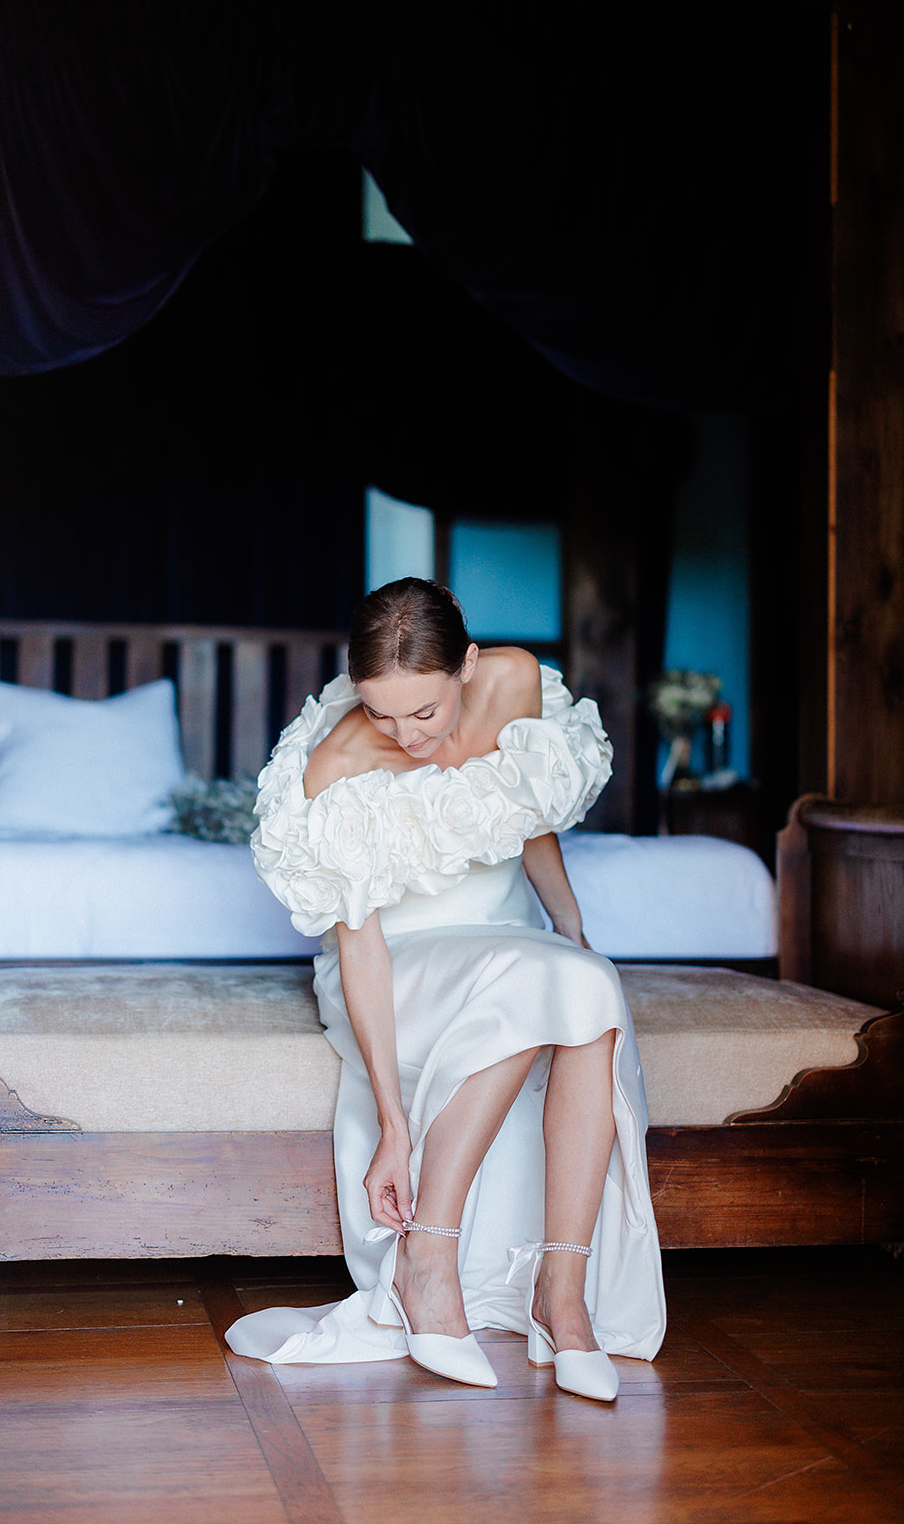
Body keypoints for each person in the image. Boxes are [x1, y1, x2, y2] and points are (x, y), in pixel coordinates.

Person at [225, 578, 665, 1396]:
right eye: (381, 712)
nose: (403, 735)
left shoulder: (515, 681)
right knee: (547, 980)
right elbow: (360, 952)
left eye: (423, 713)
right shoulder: (338, 765)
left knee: (584, 983)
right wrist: (393, 1123)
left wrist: (569, 925)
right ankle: (427, 1255)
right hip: (398, 962)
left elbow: (521, 813)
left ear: (466, 664)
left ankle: (562, 1298)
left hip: (503, 942)